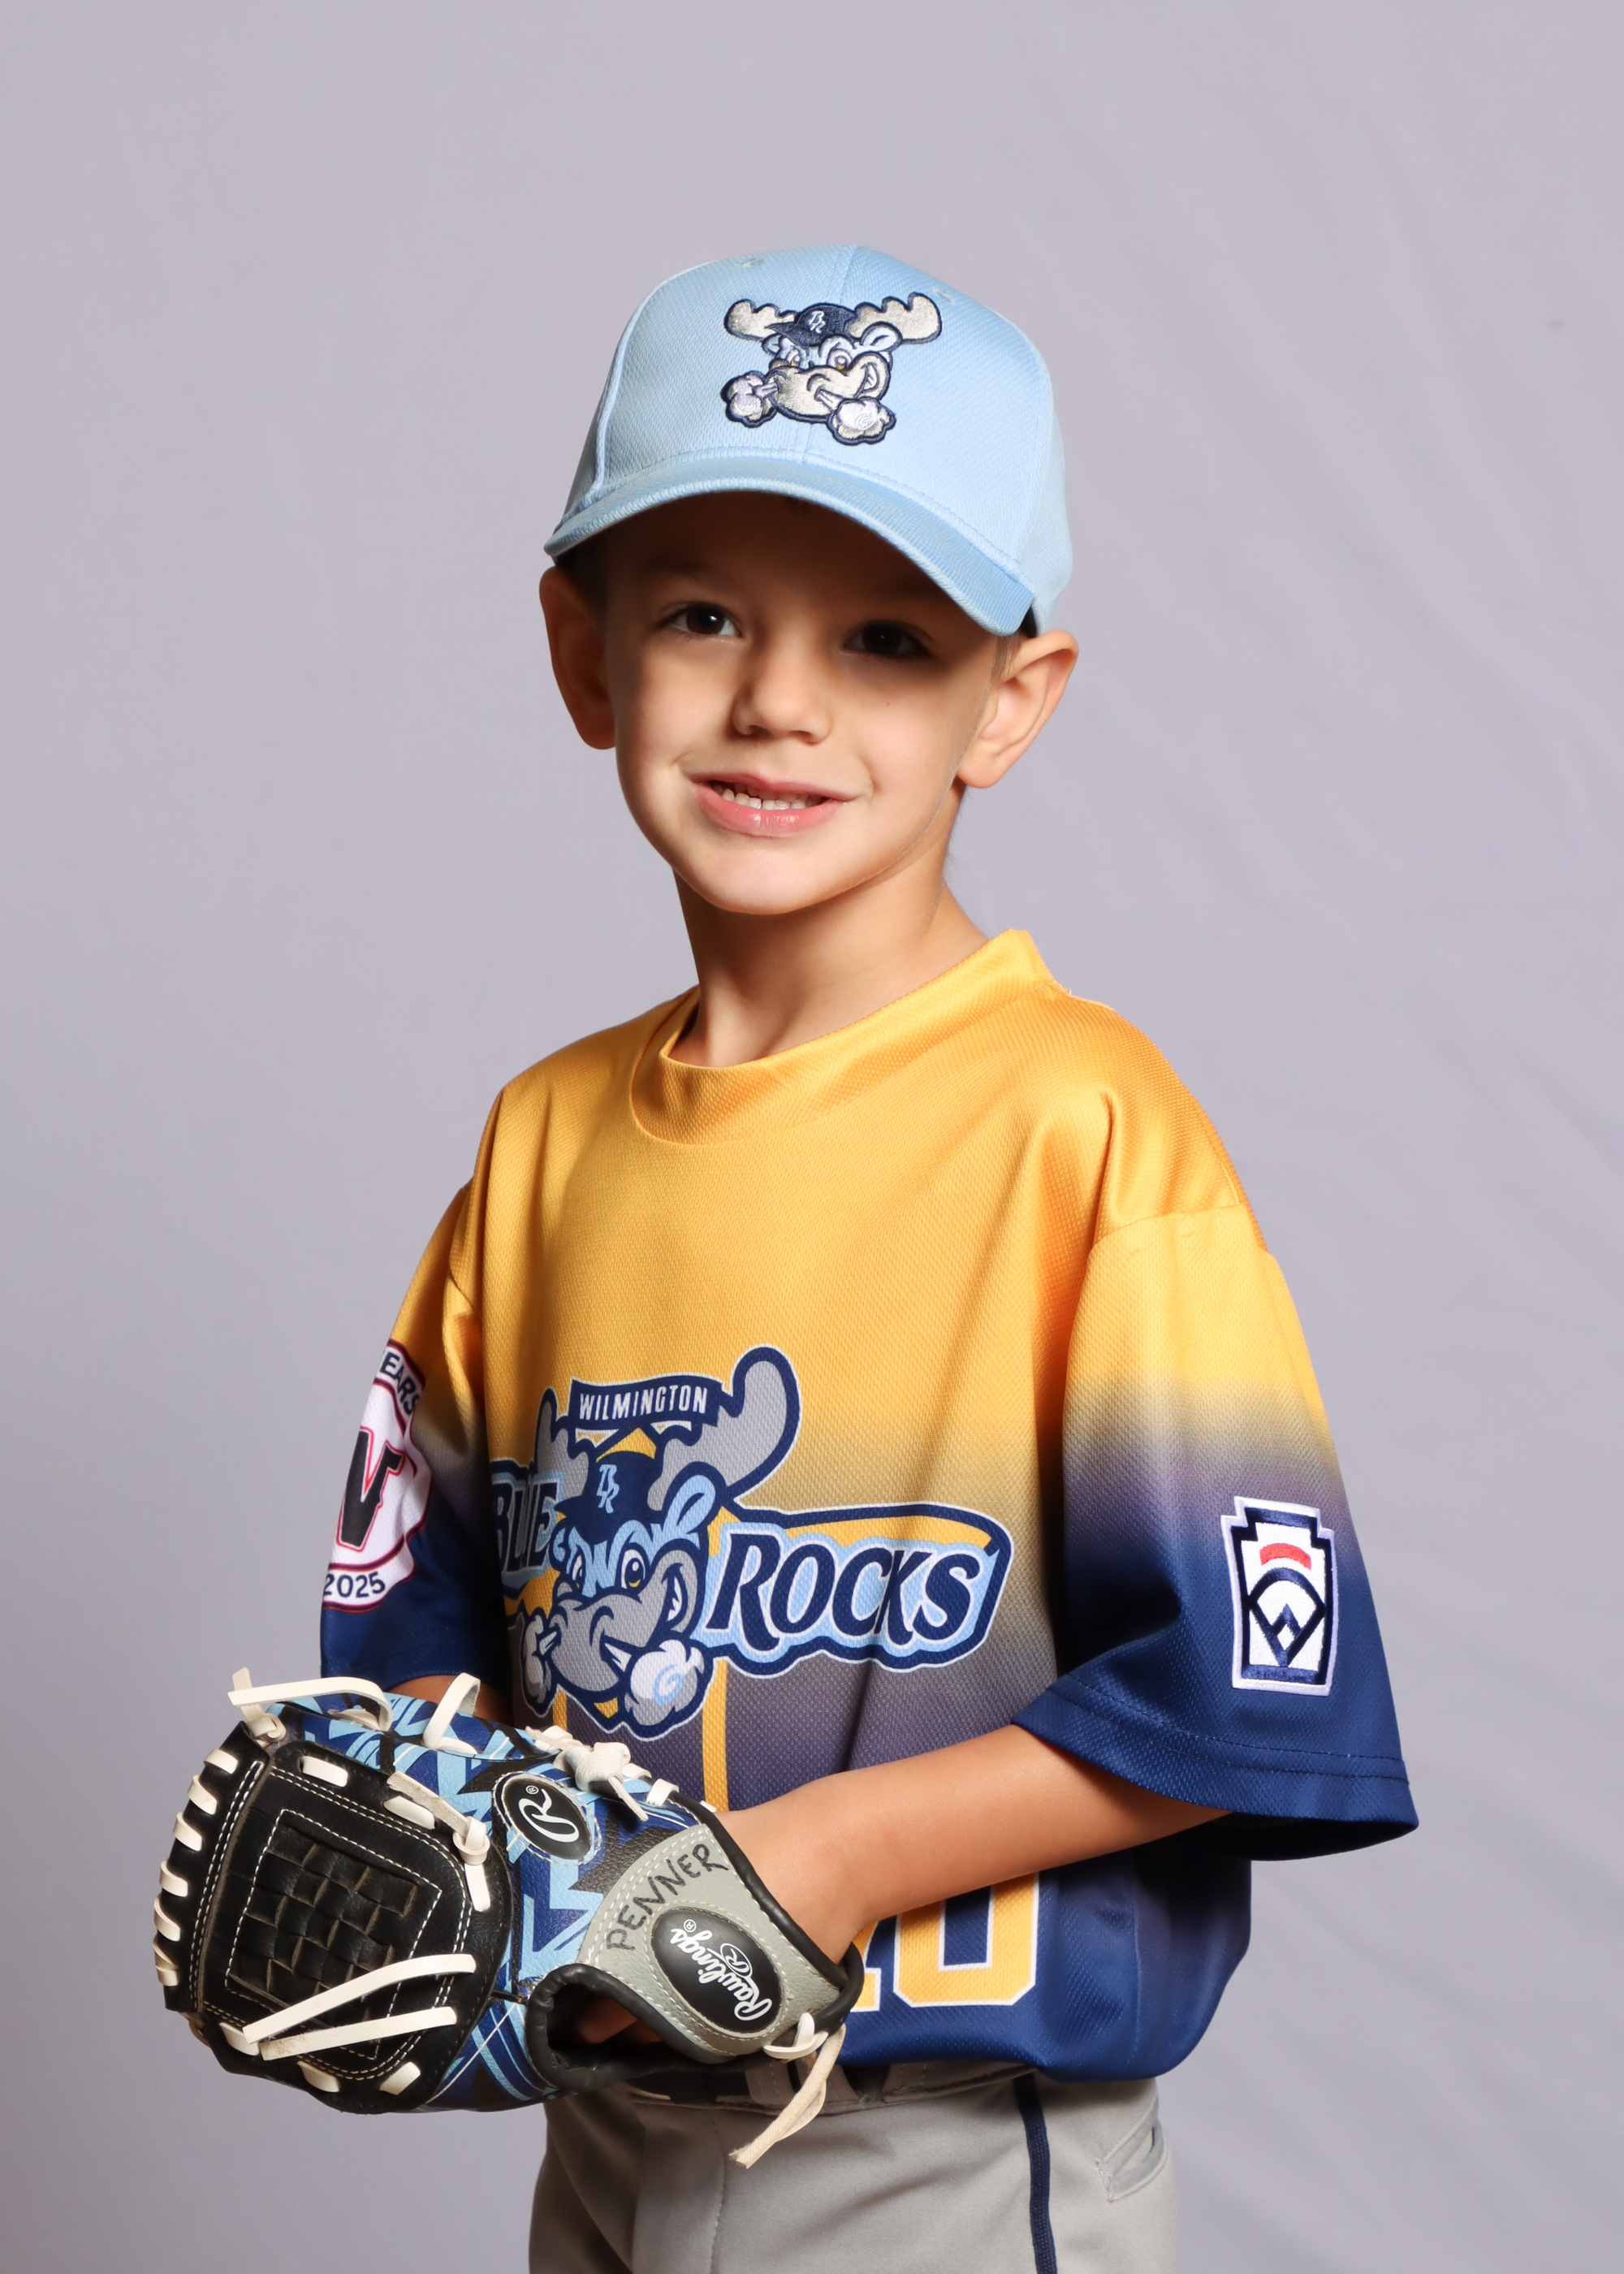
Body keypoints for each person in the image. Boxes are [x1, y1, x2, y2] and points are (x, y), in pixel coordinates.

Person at [319, 245, 1415, 2273]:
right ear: (584, 652)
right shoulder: (540, 1144)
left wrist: (810, 1857)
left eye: (887, 637)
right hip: (613, 2128)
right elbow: (425, 1634)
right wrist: (439, 1887)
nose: (779, 700)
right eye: (704, 612)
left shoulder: (1083, 1126)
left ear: (1010, 701)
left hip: (937, 2148)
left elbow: (1242, 1686)